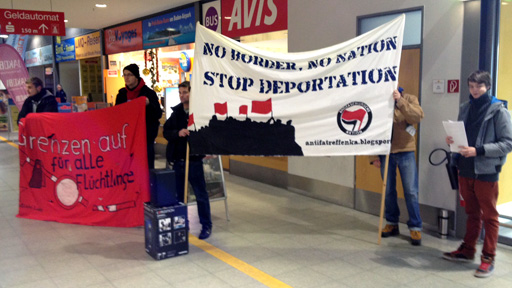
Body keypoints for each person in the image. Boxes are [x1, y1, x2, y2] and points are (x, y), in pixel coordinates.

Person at [443, 70, 512, 278]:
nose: (474, 90)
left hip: (486, 171)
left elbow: (507, 143)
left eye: (478, 86)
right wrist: (451, 141)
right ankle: (467, 250)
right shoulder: (465, 108)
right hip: (465, 168)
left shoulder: (499, 111)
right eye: (471, 86)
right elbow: (460, 135)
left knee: (490, 216)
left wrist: (479, 150)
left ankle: (488, 258)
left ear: (487, 86)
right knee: (472, 214)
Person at [370, 87, 424, 246]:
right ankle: (392, 223)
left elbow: (417, 116)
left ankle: (415, 226)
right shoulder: (378, 101)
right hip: (385, 153)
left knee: (411, 191)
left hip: (405, 151)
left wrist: (400, 101)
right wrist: (373, 156)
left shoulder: (409, 98)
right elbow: (372, 129)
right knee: (388, 190)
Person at [163, 81, 212, 240]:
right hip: (179, 160)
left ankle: (206, 226)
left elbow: (208, 133)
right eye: (180, 93)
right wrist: (178, 133)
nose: (182, 95)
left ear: (192, 93)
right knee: (179, 197)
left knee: (200, 195)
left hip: (194, 161)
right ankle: (182, 225)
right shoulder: (176, 113)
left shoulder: (199, 113)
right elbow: (166, 132)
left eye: (185, 92)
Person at [115, 64, 162, 169]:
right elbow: (116, 114)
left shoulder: (148, 93)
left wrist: (149, 104)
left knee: (145, 167)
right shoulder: (122, 94)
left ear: (136, 76)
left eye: (129, 75)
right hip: (127, 138)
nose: (126, 78)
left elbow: (157, 113)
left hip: (144, 138)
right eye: (124, 75)